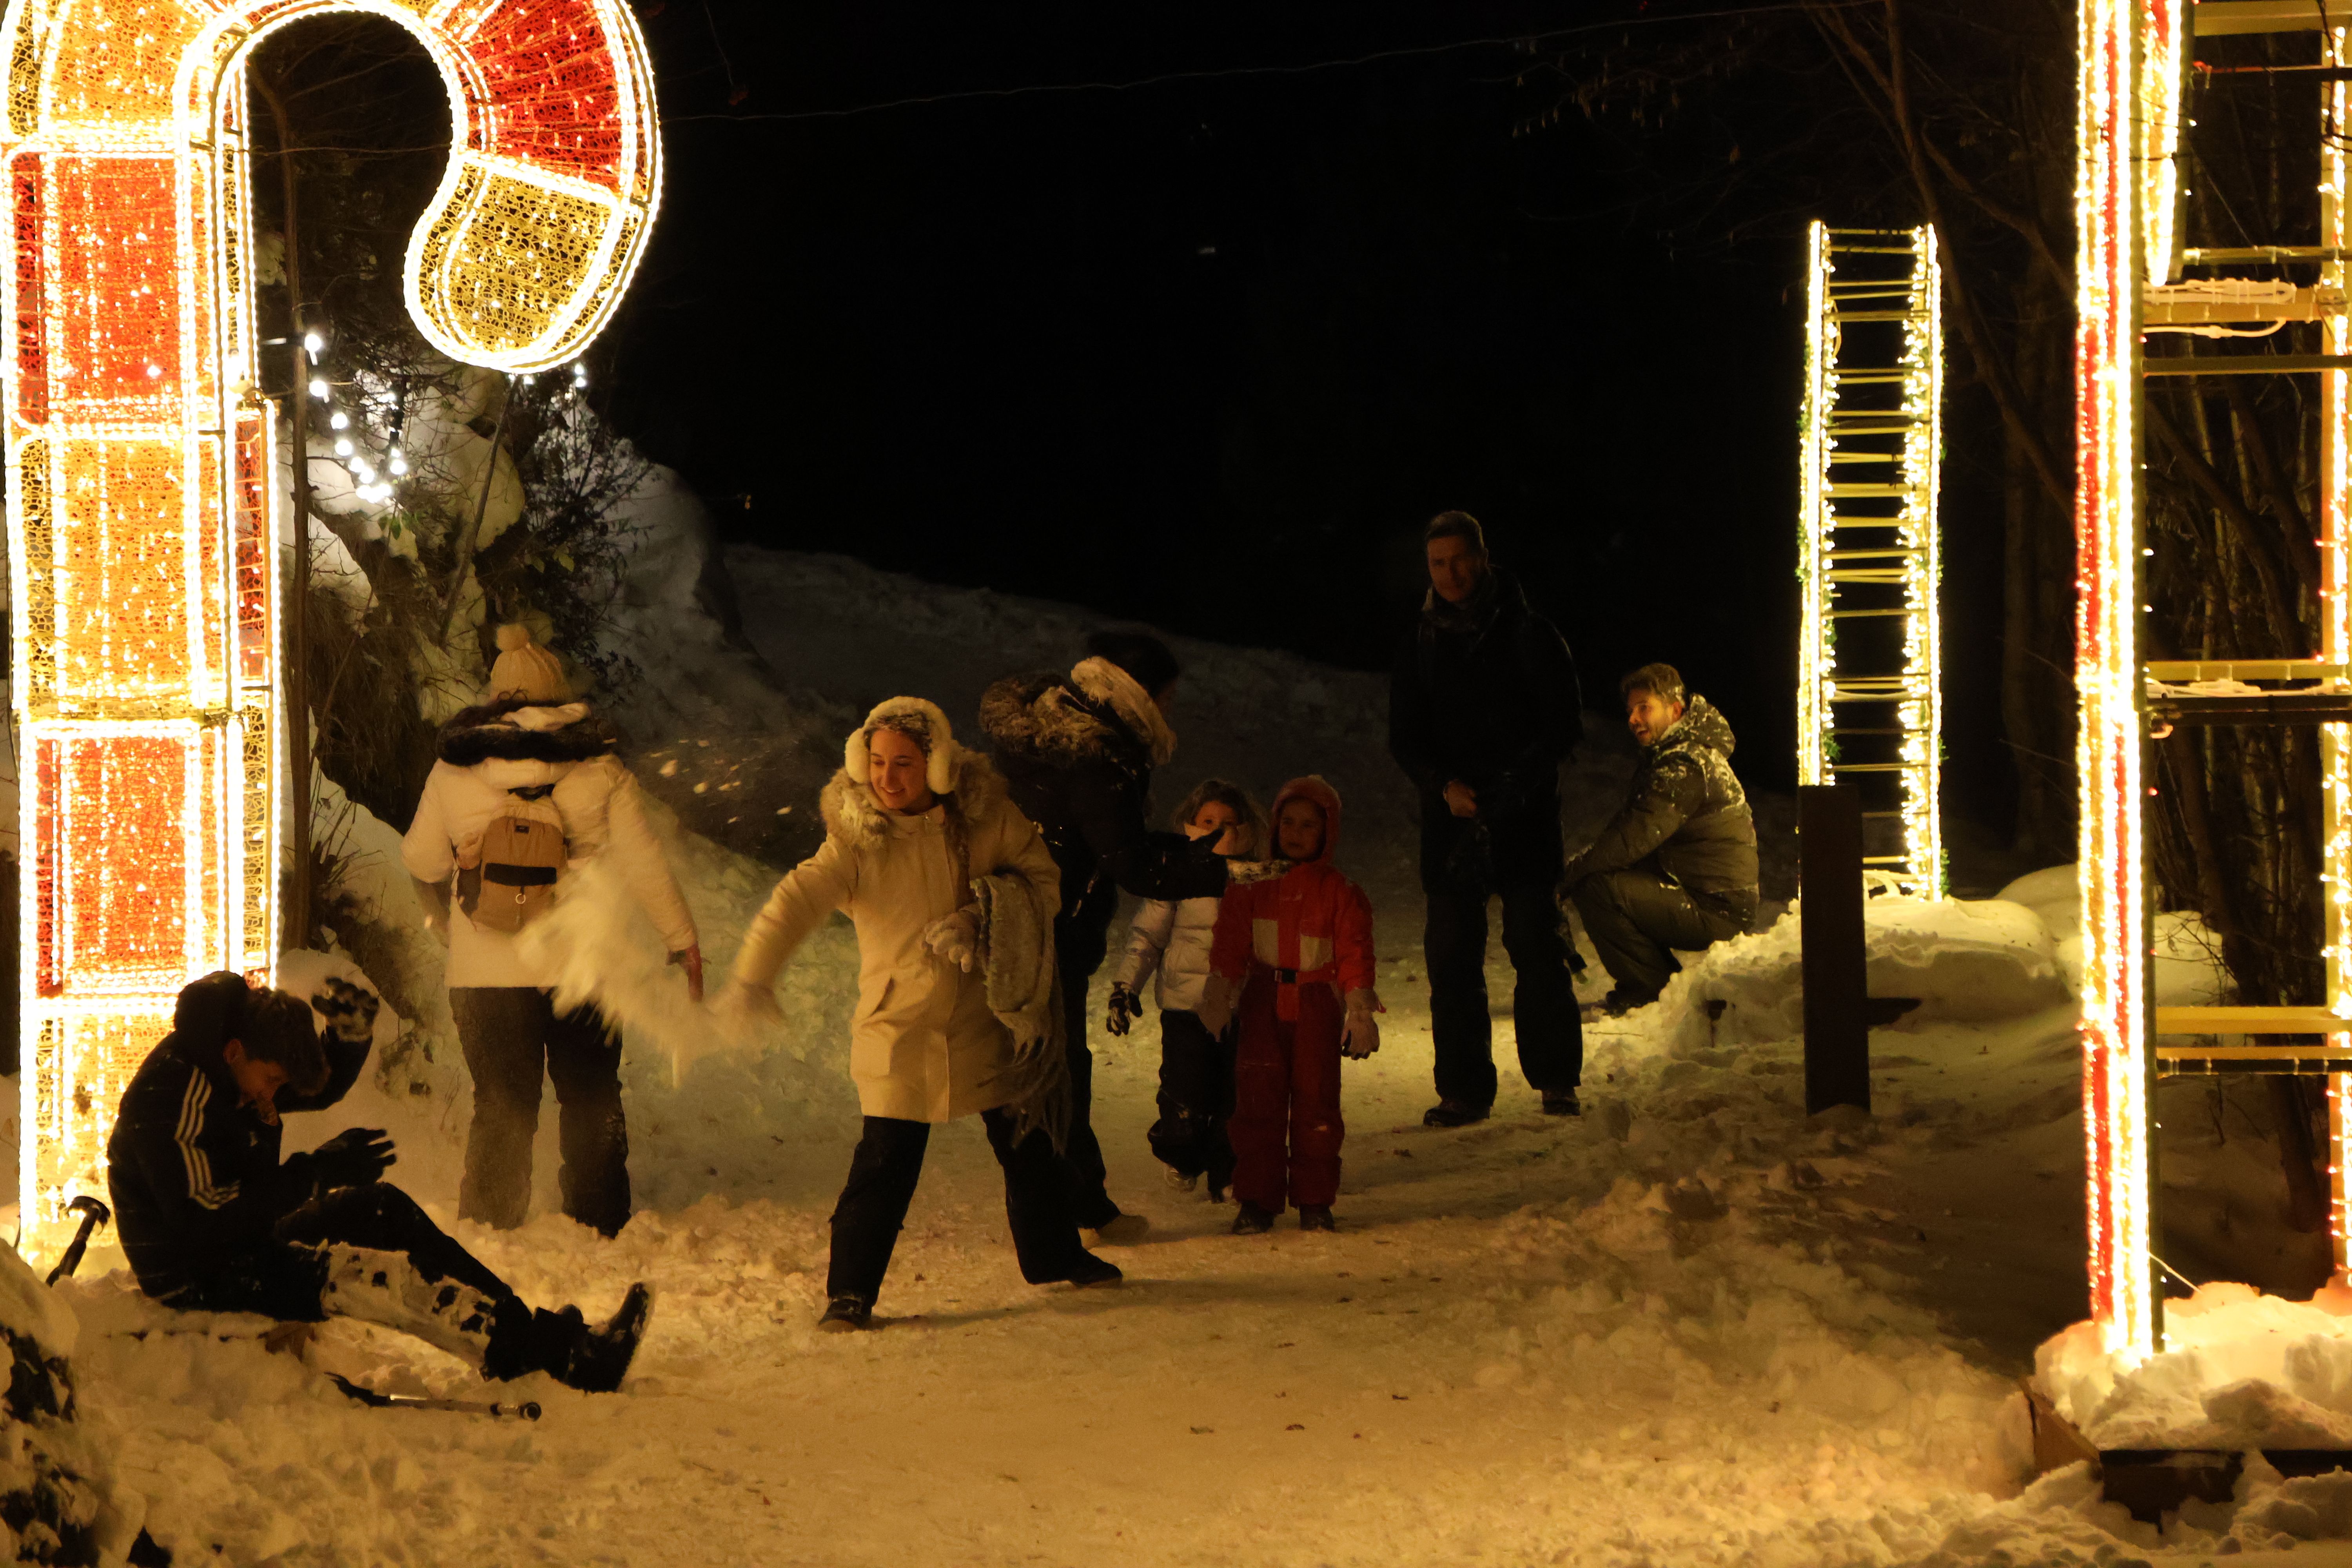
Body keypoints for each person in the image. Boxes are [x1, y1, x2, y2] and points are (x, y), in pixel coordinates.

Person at [720, 697, 1122, 1332]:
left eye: (903, 763)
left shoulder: (987, 818)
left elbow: (1044, 882)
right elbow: (797, 898)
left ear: (936, 766)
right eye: (877, 762)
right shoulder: (857, 838)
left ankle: (1053, 1255)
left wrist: (981, 917)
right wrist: (753, 977)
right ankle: (849, 1295)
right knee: (883, 1162)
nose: (887, 777)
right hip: (898, 1029)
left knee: (1028, 1145)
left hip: (988, 1017)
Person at [107, 971, 652, 1392]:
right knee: (376, 1278)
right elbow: (200, 1222)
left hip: (241, 1239)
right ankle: (553, 1359)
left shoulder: (238, 1064)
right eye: (270, 1081)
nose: (271, 1096)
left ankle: (540, 1338)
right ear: (235, 1054)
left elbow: (312, 1088)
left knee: (381, 1209)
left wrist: (347, 1038)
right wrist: (314, 1174)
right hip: (194, 1270)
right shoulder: (173, 1099)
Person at [401, 623, 701, 1239]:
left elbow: (422, 863)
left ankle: (492, 1225)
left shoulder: (454, 771)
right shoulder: (602, 769)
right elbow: (647, 865)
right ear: (561, 698)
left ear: (498, 698)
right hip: (584, 964)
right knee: (591, 1096)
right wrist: (682, 941)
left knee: (502, 1102)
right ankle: (598, 1224)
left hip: (486, 973)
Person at [981, 632, 1229, 1242]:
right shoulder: (1099, 755)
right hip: (1048, 927)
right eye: (1167, 698)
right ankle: (1072, 1210)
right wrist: (1219, 869)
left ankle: (1078, 1201)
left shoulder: (1049, 719)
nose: (1169, 712)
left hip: (1009, 917)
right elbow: (1130, 863)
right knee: (1054, 1072)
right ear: (1142, 691)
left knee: (1049, 1068)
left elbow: (1110, 843)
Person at [1387, 511, 1585, 1127]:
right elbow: (1405, 735)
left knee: (1536, 947)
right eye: (1438, 563)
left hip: (1523, 818)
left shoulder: (1531, 632)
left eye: (1460, 559)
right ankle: (1464, 1090)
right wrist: (1442, 785)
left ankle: (1556, 1079)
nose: (1451, 574)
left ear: (1483, 557)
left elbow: (1562, 726)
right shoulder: (1419, 641)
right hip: (1450, 824)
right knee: (1452, 957)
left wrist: (1513, 786)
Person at [1197, 778, 1380, 1234]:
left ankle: (1315, 1199)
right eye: (1289, 822)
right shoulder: (1253, 884)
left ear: (1327, 832)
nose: (1297, 833)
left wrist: (1358, 1010)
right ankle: (1257, 1199)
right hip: (1262, 998)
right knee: (1257, 1101)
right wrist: (1219, 993)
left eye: (1309, 825)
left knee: (1317, 1103)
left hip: (1317, 1003)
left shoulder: (1339, 891)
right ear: (1275, 825)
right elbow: (1231, 943)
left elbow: (1355, 950)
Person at [1107, 780, 1275, 1203]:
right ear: (1191, 827)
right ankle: (1181, 1152)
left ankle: (1227, 1170)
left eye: (1229, 823)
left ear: (1248, 830)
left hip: (1240, 1008)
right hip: (1186, 1007)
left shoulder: (1257, 879)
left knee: (1233, 1094)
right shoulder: (1176, 877)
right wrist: (1126, 987)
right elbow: (1147, 936)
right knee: (1185, 1089)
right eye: (1208, 822)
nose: (1219, 830)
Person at [1561, 663, 1759, 1011]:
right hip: (1707, 897)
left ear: (1676, 710)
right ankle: (1664, 989)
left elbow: (1632, 839)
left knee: (1596, 886)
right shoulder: (1677, 756)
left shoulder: (1684, 765)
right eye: (1630, 711)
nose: (1634, 719)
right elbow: (1631, 833)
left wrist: (1571, 875)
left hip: (1718, 910)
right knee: (1604, 877)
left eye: (1644, 708)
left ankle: (1651, 993)